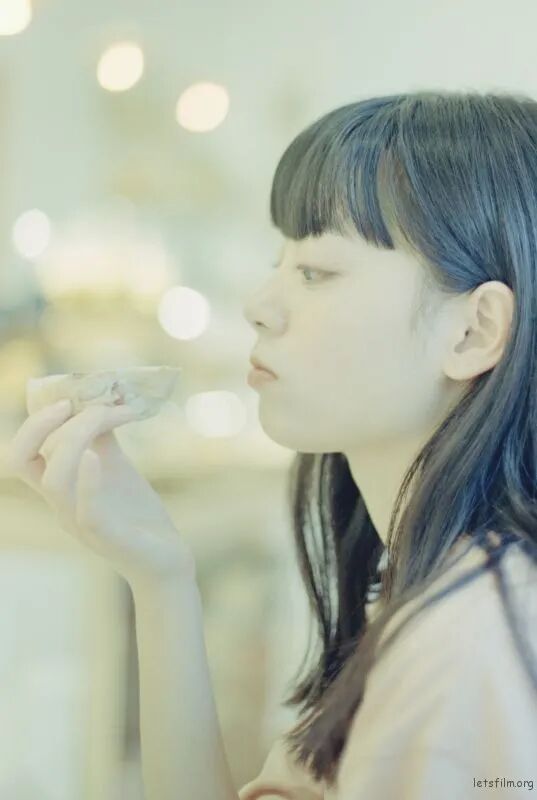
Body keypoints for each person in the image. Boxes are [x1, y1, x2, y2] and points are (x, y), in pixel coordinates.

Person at [6, 89, 537, 800]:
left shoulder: (467, 646)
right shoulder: (450, 594)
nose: (258, 305)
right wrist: (160, 577)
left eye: (315, 271)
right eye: (278, 262)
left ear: (473, 331)